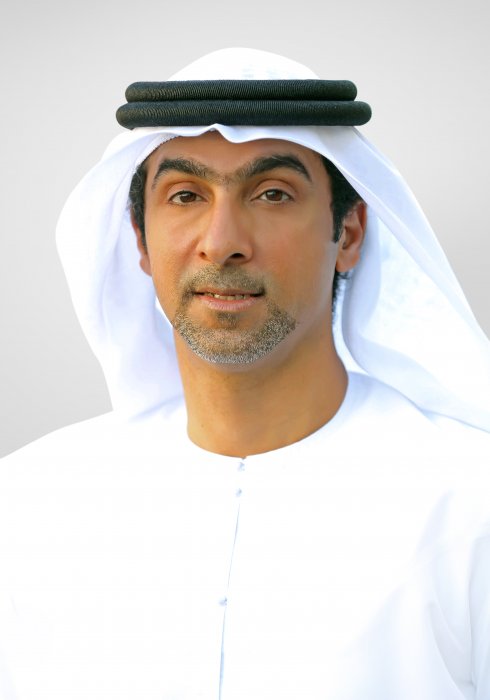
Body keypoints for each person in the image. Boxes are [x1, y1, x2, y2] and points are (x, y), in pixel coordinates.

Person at [0, 48, 489, 700]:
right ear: (141, 241)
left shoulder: (469, 504)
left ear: (348, 234)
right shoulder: (30, 506)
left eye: (272, 194)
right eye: (185, 195)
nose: (223, 240)